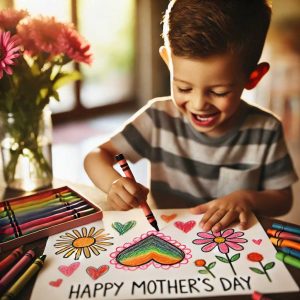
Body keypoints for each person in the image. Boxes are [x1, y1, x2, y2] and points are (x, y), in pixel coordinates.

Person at [84, 0, 298, 233]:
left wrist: (247, 198)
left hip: (235, 249)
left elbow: (283, 199)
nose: (198, 104)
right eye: (184, 88)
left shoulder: (265, 129)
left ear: (253, 77)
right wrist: (113, 184)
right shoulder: (158, 119)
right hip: (166, 238)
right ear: (168, 61)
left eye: (219, 92)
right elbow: (96, 156)